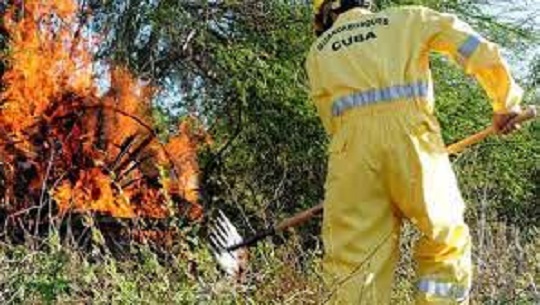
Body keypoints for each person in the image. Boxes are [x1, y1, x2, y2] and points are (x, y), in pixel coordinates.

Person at [305, 0, 524, 304]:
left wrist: (353, 177)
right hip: (416, 146)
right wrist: (505, 101)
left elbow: (332, 121)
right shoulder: (408, 19)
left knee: (354, 266)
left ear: (328, 10)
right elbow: (474, 47)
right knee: (445, 242)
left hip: (350, 158)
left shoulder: (319, 51)